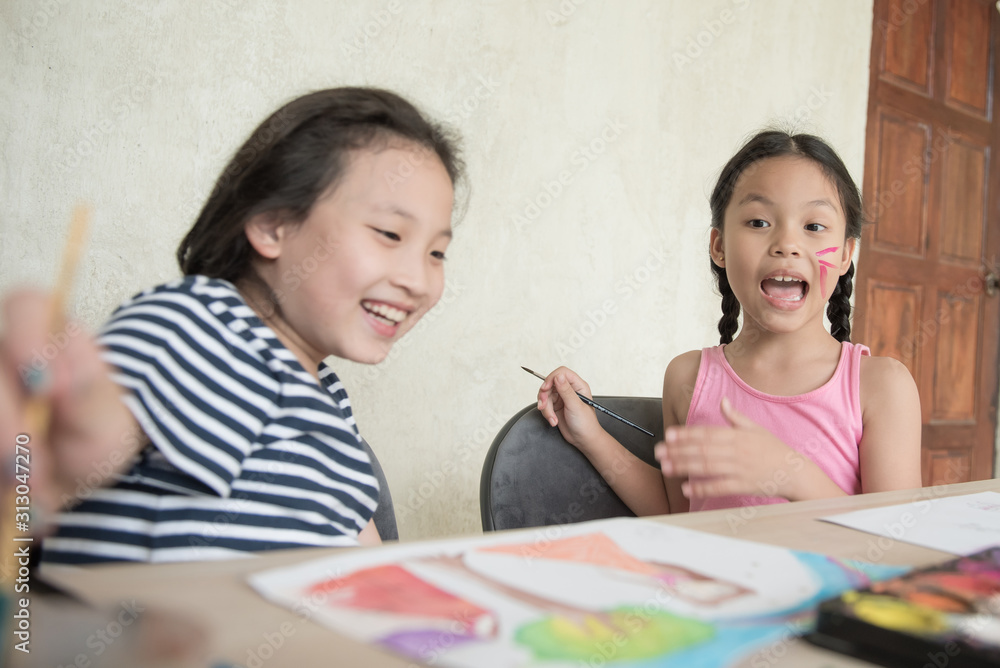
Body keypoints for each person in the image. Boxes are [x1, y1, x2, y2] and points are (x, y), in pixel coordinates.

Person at [0, 87, 463, 563]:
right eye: (390, 233)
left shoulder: (327, 398)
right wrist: (74, 430)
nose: (417, 280)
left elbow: (369, 566)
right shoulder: (200, 324)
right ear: (273, 226)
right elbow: (94, 428)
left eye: (436, 253)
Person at [536, 130, 921, 515]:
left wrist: (793, 476)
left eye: (814, 227)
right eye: (759, 222)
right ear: (718, 246)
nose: (787, 244)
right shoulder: (686, 378)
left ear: (846, 255)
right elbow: (678, 515)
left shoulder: (882, 387)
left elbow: (898, 539)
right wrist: (589, 435)